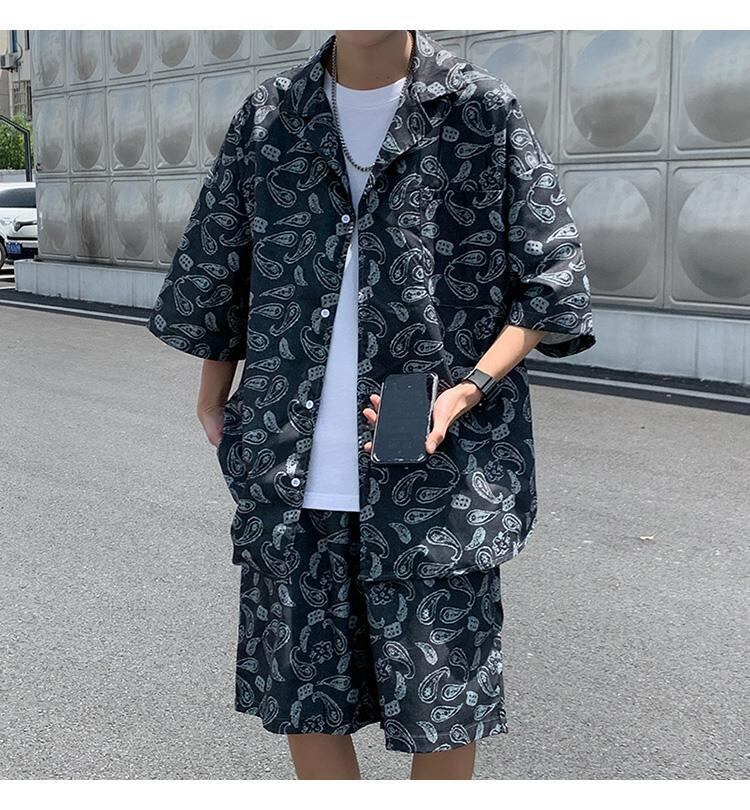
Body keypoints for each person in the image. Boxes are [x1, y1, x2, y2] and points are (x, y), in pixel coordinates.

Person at [146, 29, 596, 779]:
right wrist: (212, 394)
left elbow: (551, 278)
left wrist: (468, 390)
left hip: (439, 470)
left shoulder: (478, 110)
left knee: (442, 705)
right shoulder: (272, 116)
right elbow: (219, 262)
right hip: (293, 463)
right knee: (306, 699)